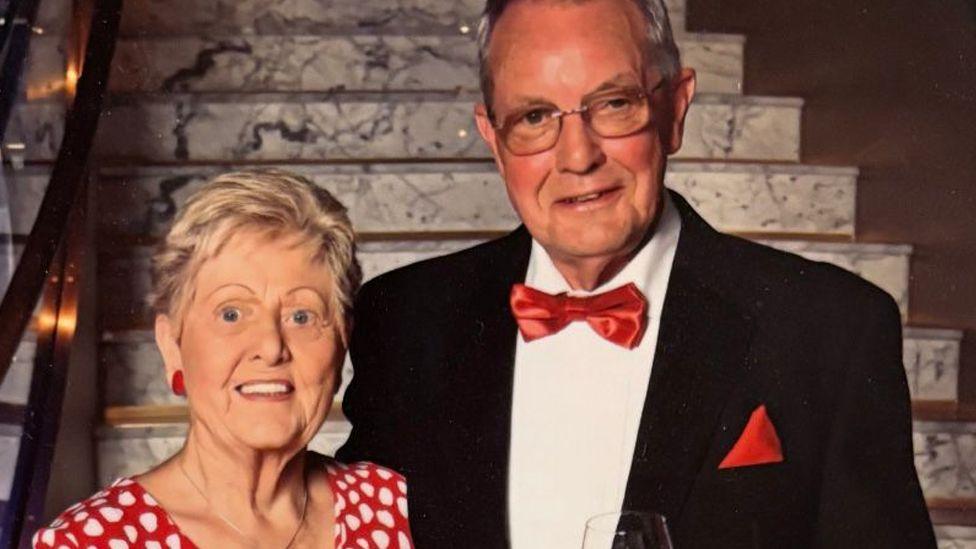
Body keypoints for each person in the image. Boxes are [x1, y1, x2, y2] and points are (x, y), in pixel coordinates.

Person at [337, 0, 935, 547]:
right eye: (534, 116)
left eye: (615, 104)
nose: (578, 157)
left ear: (674, 108)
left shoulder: (829, 328)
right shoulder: (403, 320)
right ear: (494, 139)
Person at [34, 171, 413, 548]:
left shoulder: (391, 508)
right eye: (231, 313)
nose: (271, 346)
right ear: (172, 345)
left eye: (302, 316)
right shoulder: (90, 542)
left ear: (342, 342)